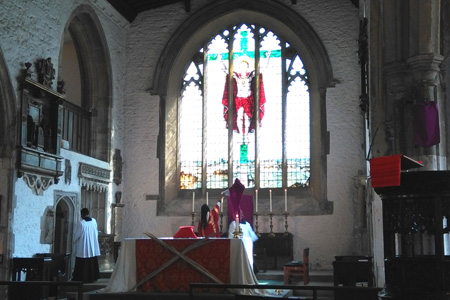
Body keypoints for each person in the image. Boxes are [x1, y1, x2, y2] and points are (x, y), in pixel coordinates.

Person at [72, 208, 101, 283]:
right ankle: (93, 277)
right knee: (91, 261)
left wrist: (73, 238)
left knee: (82, 262)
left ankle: (82, 278)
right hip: (92, 246)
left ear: (81, 214)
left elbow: (76, 235)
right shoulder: (94, 221)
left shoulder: (81, 223)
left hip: (83, 246)